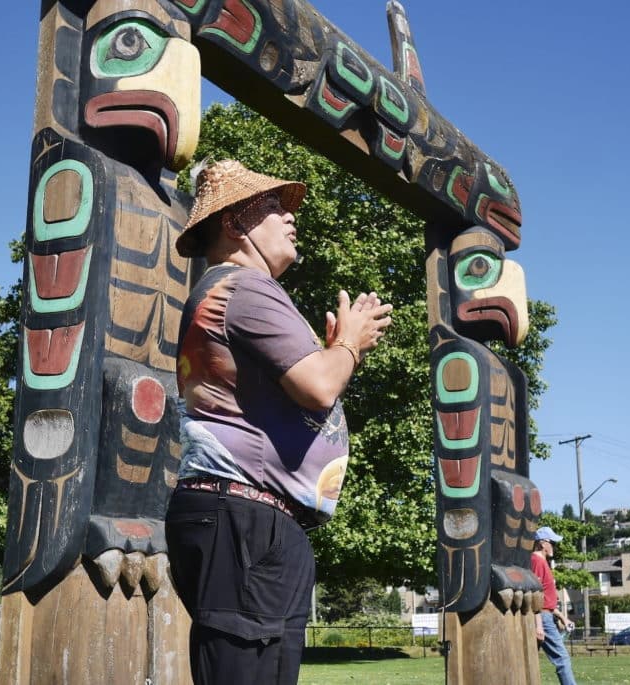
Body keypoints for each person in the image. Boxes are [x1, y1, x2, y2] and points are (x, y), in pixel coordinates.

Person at [165, 159, 393, 685]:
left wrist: (337, 349)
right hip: (244, 516)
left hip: (248, 518)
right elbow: (318, 384)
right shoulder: (246, 288)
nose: (291, 217)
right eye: (274, 206)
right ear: (234, 222)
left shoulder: (234, 291)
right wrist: (350, 346)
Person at [531, 526, 578, 685]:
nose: (554, 547)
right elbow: (534, 595)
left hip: (546, 615)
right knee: (562, 658)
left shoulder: (543, 562)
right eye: (553, 543)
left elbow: (547, 601)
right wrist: (539, 625)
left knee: (530, 658)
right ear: (543, 543)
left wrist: (563, 618)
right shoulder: (537, 561)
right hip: (542, 618)